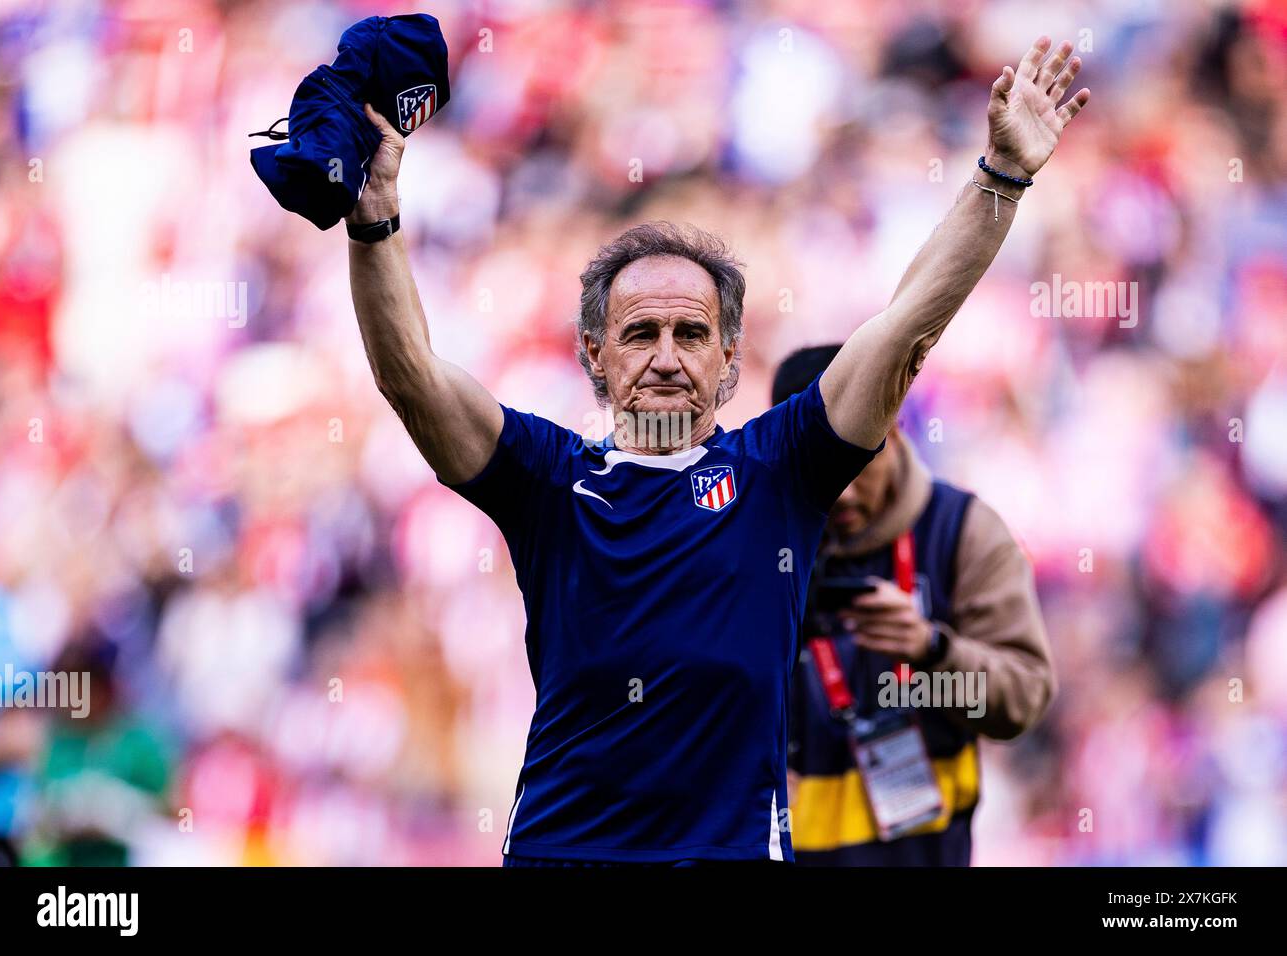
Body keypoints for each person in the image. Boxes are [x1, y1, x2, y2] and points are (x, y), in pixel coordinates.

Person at [344, 37, 1089, 864]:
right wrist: (373, 218)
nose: (666, 355)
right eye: (640, 333)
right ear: (594, 353)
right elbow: (409, 376)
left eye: (692, 333)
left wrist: (1000, 178)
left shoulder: (782, 470)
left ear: (732, 358)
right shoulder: (547, 480)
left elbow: (909, 325)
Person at [775, 345, 1055, 865]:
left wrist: (932, 652)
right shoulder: (757, 535)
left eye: (858, 463)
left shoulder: (963, 531)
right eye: (822, 471)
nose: (844, 494)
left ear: (896, 429)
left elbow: (1024, 698)